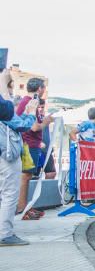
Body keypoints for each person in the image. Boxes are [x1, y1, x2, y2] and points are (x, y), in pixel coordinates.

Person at [0, 66, 38, 247]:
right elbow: (20, 124)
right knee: (9, 193)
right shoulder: (3, 102)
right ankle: (5, 234)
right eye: (11, 86)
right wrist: (31, 113)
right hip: (5, 154)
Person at [15, 78, 54, 219]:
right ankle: (22, 208)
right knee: (25, 176)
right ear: (39, 89)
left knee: (27, 176)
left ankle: (24, 207)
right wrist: (47, 121)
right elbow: (34, 126)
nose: (44, 91)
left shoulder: (27, 101)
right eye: (43, 88)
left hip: (29, 143)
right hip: (29, 143)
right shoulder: (31, 102)